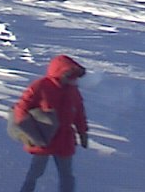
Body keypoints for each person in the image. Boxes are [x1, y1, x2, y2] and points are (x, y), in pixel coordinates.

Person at [13, 54, 88, 192]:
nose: (73, 79)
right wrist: (27, 129)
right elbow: (21, 108)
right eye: (69, 75)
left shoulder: (73, 90)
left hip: (64, 139)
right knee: (35, 172)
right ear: (60, 73)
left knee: (66, 175)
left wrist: (82, 132)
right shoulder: (40, 86)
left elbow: (79, 112)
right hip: (44, 137)